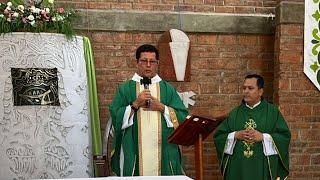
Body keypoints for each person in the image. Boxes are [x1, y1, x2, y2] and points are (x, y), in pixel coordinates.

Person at [109, 44, 189, 176]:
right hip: (134, 150)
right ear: (137, 63)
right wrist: (135, 105)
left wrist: (162, 107)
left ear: (157, 63)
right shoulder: (126, 89)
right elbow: (116, 117)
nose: (148, 65)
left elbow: (183, 117)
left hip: (163, 150)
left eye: (152, 61)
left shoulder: (167, 89)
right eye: (144, 61)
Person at [214, 74, 291, 180]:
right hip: (237, 168)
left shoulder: (272, 113)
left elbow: (284, 137)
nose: (246, 91)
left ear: (260, 92)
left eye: (250, 88)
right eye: (244, 88)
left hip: (261, 167)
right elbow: (219, 137)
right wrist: (236, 135)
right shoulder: (235, 113)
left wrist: (263, 137)